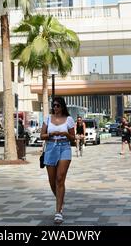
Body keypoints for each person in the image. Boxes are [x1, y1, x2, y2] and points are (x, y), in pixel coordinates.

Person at [40, 96, 75, 225]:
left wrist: (66, 135)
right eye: (53, 105)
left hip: (64, 147)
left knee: (60, 179)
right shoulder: (47, 118)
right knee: (52, 180)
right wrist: (50, 134)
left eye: (58, 105)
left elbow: (73, 138)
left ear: (62, 106)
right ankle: (60, 200)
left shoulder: (69, 119)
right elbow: (41, 135)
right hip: (50, 148)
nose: (55, 108)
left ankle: (58, 211)